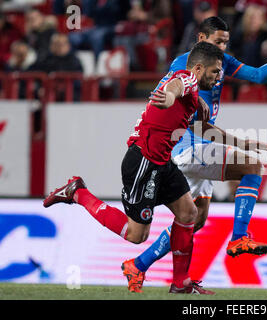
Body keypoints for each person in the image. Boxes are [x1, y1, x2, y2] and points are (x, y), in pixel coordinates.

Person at [128, 16, 267, 281]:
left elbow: (257, 76)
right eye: (217, 41)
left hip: (199, 141)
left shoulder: (223, 63)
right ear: (201, 39)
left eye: (226, 42)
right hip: (185, 145)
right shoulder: (184, 64)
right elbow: (178, 89)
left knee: (195, 219)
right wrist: (181, 97)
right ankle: (240, 237)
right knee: (252, 166)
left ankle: (138, 266)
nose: (222, 48)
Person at [43, 41, 224, 295]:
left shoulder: (192, 88)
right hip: (143, 162)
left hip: (162, 162)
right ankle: (77, 192)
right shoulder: (187, 79)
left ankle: (180, 283)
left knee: (189, 214)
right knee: (136, 235)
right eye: (215, 71)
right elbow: (176, 88)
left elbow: (183, 93)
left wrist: (197, 105)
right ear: (198, 68)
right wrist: (170, 96)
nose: (219, 77)